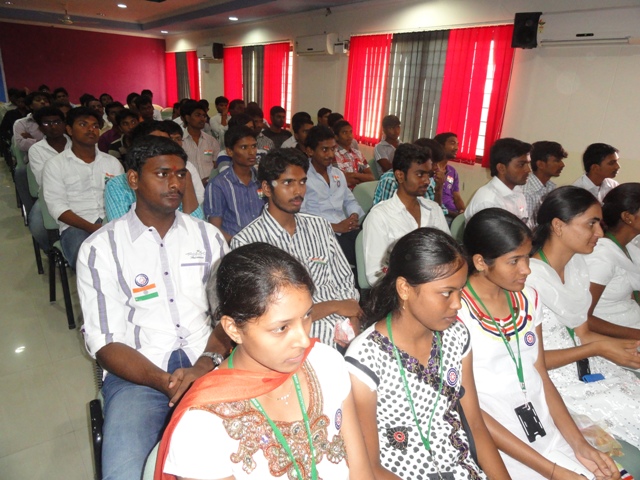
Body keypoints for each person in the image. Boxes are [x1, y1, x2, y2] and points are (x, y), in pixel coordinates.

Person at [78, 136, 230, 480]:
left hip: (208, 359)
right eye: (162, 174)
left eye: (181, 174)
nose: (175, 183)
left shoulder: (208, 238)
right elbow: (105, 343)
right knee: (126, 472)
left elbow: (229, 317)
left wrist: (205, 364)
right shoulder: (100, 249)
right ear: (133, 179)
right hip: (139, 374)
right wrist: (165, 382)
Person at [156, 243, 373, 480]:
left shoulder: (325, 362)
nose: (303, 340)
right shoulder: (202, 422)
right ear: (233, 329)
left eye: (307, 315)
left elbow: (361, 473)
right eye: (281, 328)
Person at [461, 208, 621, 480]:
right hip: (496, 441)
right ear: (480, 262)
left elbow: (540, 374)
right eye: (514, 261)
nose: (526, 269)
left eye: (527, 256)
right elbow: (472, 414)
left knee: (606, 473)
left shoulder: (528, 298)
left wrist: (579, 446)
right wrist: (553, 471)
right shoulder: (456, 313)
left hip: (543, 426)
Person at [346, 228, 510, 480]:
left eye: (460, 290)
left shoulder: (456, 335)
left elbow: (475, 426)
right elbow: (370, 466)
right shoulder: (365, 359)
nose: (457, 303)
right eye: (446, 293)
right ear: (404, 288)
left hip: (461, 469)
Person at [527, 187, 640, 450]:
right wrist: (598, 348)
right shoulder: (528, 279)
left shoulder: (576, 266)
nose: (600, 232)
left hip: (587, 366)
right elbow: (532, 361)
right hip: (554, 380)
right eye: (591, 224)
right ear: (558, 225)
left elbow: (583, 332)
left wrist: (627, 347)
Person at [231, 147, 361, 350]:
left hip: (344, 336)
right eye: (288, 183)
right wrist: (334, 306)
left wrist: (354, 327)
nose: (298, 191)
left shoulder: (320, 226)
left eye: (302, 182)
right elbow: (270, 314)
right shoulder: (247, 243)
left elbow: (345, 284)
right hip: (293, 347)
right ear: (266, 188)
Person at [42, 107, 123, 268]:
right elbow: (57, 207)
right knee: (88, 263)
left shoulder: (112, 163)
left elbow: (122, 200)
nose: (91, 129)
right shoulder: (55, 165)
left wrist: (111, 226)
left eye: (95, 126)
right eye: (83, 124)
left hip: (112, 222)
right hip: (76, 227)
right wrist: (93, 228)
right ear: (69, 130)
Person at [363, 143, 449, 285]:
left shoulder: (434, 209)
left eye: (429, 175)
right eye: (420, 174)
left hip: (435, 285)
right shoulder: (380, 216)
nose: (427, 181)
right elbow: (375, 275)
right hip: (399, 290)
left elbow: (448, 254)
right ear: (400, 176)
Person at [104, 120, 204, 222]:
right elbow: (121, 228)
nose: (164, 148)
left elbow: (197, 225)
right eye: (155, 143)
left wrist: (184, 177)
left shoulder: (179, 176)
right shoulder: (117, 184)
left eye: (166, 142)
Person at [301, 125, 364, 276]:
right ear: (310, 151)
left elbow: (350, 201)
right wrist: (335, 227)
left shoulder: (337, 174)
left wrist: (353, 216)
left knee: (368, 245)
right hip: (319, 234)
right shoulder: (302, 177)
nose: (330, 154)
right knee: (358, 257)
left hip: (345, 227)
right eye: (324, 150)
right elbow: (301, 217)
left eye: (333, 149)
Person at [586, 183, 640, 335]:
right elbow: (583, 318)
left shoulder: (629, 248)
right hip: (614, 337)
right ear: (627, 217)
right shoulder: (602, 256)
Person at [204, 125, 262, 241]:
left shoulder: (262, 180)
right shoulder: (218, 185)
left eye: (254, 146)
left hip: (264, 243)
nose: (251, 152)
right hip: (234, 246)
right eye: (244, 147)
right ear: (230, 151)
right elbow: (215, 229)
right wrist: (239, 244)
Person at [464, 138, 531, 223]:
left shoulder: (517, 192)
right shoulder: (489, 202)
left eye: (528, 164)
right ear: (501, 168)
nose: (528, 170)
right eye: (521, 165)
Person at [522, 141, 567, 228]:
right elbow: (527, 227)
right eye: (557, 160)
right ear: (540, 164)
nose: (562, 165)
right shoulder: (527, 191)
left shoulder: (550, 187)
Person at [181, 100, 220, 184]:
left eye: (204, 116)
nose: (202, 119)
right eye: (198, 115)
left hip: (210, 184)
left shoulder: (211, 141)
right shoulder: (180, 141)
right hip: (188, 185)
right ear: (187, 118)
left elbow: (216, 165)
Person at [333, 119, 374, 188]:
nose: (349, 135)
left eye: (351, 132)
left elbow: (371, 177)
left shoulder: (358, 153)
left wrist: (354, 175)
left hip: (360, 190)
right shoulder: (334, 154)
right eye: (344, 133)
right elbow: (342, 180)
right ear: (336, 137)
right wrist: (362, 177)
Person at [434, 132, 466, 219]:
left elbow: (457, 197)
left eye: (457, 144)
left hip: (453, 214)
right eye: (452, 143)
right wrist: (454, 215)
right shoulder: (431, 170)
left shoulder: (452, 171)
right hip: (440, 214)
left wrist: (463, 212)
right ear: (441, 146)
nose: (456, 148)